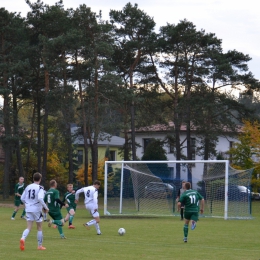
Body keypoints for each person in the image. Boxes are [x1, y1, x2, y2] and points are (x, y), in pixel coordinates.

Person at [19, 172, 49, 251]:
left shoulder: (28, 187)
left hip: (28, 209)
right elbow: (40, 198)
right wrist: (45, 207)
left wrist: (27, 204)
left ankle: (23, 238)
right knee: (39, 227)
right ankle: (40, 246)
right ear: (40, 179)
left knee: (29, 227)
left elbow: (22, 198)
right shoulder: (40, 188)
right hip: (36, 209)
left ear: (33, 179)